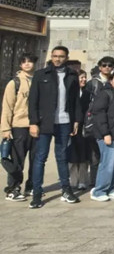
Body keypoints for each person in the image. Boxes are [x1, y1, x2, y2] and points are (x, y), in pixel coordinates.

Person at [27, 46, 80, 208]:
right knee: (40, 157)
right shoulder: (41, 75)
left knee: (62, 157)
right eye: (55, 56)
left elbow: (75, 101)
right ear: (51, 56)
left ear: (66, 57)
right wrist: (33, 122)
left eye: (61, 56)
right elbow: (33, 101)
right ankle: (36, 193)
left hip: (64, 122)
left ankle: (66, 189)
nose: (58, 59)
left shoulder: (72, 75)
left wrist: (76, 120)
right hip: (44, 123)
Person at [89, 68, 114, 202]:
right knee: (107, 163)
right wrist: (105, 133)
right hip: (107, 134)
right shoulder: (105, 93)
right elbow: (99, 114)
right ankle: (99, 190)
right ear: (111, 80)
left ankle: (110, 188)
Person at [2, 53, 36, 202]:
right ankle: (13, 188)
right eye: (24, 62)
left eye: (30, 62)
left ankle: (32, 186)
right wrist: (5, 129)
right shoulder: (14, 83)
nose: (27, 64)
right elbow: (7, 107)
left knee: (36, 160)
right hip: (19, 126)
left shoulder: (39, 80)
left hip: (36, 126)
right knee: (17, 161)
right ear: (20, 65)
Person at [68, 70, 92, 191]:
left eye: (85, 77)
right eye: (81, 77)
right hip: (72, 127)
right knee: (72, 156)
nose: (83, 80)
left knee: (84, 155)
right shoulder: (70, 93)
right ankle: (73, 180)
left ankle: (82, 180)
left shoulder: (88, 93)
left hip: (84, 128)